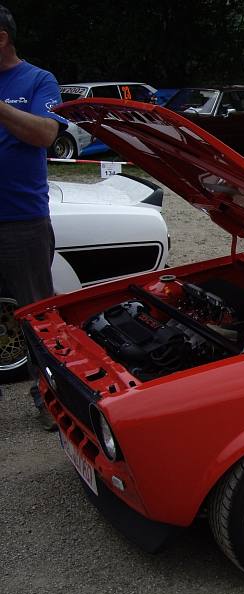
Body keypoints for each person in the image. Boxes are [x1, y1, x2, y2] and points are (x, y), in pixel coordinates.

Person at [0, 4, 67, 430]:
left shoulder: (39, 80)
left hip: (22, 221)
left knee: (36, 315)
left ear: (1, 37)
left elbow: (46, 133)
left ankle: (49, 397)